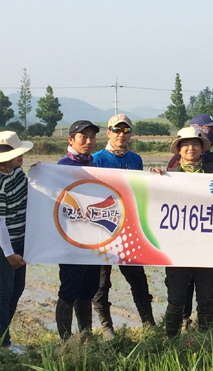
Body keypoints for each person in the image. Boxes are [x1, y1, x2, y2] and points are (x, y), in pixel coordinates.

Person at [153, 127, 213, 338]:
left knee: (206, 296)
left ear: (202, 148)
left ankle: (206, 339)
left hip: (206, 247)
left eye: (195, 144)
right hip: (177, 249)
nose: (191, 148)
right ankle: (171, 338)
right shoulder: (168, 177)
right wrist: (154, 179)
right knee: (176, 296)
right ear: (179, 150)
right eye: (186, 145)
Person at [90, 114, 156, 337]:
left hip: (128, 230)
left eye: (125, 130)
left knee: (138, 279)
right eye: (116, 130)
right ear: (108, 133)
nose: (121, 134)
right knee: (101, 282)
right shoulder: (96, 159)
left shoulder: (135, 160)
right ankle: (107, 328)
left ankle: (149, 324)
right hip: (103, 230)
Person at [0, 130, 33, 352]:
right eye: (17, 154)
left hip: (18, 240)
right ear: (3, 159)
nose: (22, 157)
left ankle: (0, 337)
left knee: (17, 289)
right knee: (2, 294)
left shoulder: (17, 173)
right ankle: (2, 345)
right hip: (0, 246)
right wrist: (9, 254)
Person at [55, 120, 103, 341]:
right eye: (83, 137)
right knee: (69, 289)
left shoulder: (96, 166)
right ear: (71, 140)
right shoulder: (62, 167)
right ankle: (65, 341)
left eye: (92, 137)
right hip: (71, 240)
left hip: (93, 239)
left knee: (88, 289)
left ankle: (86, 336)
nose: (89, 141)